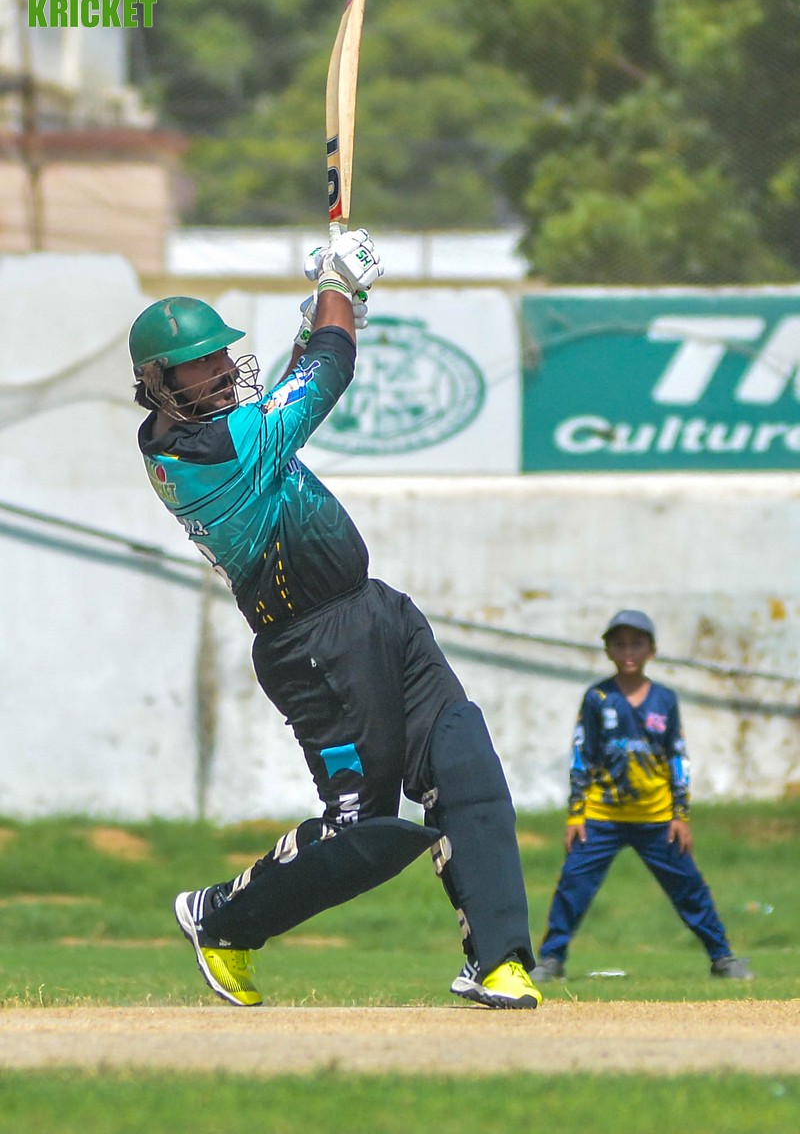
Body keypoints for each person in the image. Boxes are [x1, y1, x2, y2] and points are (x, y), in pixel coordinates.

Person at [128, 228, 541, 1010]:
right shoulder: (208, 453)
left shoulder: (222, 430)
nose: (221, 369)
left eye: (221, 355)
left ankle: (497, 961)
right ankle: (220, 918)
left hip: (376, 610)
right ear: (158, 384)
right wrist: (336, 293)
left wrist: (330, 308)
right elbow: (328, 371)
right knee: (362, 829)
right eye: (199, 364)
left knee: (464, 764)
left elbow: (296, 383)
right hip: (313, 645)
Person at [531, 609, 753, 984]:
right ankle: (551, 960)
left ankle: (722, 958)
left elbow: (677, 756)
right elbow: (582, 756)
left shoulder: (664, 699)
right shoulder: (598, 697)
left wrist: (680, 814)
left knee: (689, 888)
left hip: (657, 816)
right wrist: (576, 814)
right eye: (620, 644)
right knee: (573, 886)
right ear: (608, 650)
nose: (628, 652)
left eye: (637, 644)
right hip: (602, 815)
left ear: (652, 650)